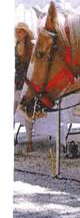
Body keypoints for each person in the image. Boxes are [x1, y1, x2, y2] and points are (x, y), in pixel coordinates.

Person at [15, 22, 34, 152]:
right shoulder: (15, 47)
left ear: (25, 33)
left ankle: (29, 141)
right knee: (13, 109)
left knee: (27, 111)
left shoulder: (32, 47)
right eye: (17, 31)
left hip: (28, 83)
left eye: (20, 31)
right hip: (17, 81)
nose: (18, 33)